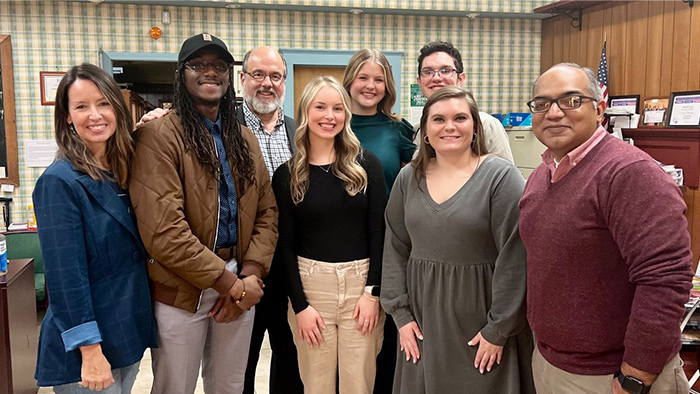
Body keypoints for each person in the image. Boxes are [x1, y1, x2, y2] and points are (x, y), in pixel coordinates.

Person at [137, 45, 303, 394]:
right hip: (181, 289)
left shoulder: (241, 138)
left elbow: (267, 211)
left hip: (240, 279)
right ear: (182, 73)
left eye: (218, 66)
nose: (209, 72)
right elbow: (165, 231)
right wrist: (232, 285)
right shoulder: (158, 135)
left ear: (229, 76)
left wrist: (250, 274)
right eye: (198, 65)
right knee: (175, 386)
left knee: (229, 384)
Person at [519, 63, 693, 394]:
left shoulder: (630, 173)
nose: (554, 113)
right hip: (553, 364)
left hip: (615, 377)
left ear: (599, 109)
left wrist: (635, 375)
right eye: (542, 104)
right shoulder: (542, 175)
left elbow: (666, 278)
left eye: (571, 100)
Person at [381, 86, 534, 394]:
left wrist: (498, 329)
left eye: (460, 117)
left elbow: (515, 257)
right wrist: (401, 315)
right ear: (425, 130)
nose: (449, 126)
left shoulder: (499, 177)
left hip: (482, 323)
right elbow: (395, 247)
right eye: (438, 119)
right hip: (422, 324)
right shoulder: (409, 178)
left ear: (475, 126)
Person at [33, 63, 157, 393]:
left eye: (103, 103)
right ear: (67, 117)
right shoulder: (59, 182)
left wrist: (156, 125)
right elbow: (65, 277)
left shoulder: (124, 169)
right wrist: (89, 351)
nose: (95, 115)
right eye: (81, 106)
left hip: (125, 329)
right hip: (89, 344)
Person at [273, 76, 387, 394]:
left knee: (359, 384)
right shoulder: (288, 174)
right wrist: (300, 306)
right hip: (312, 289)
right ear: (306, 112)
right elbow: (285, 243)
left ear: (346, 115)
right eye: (320, 107)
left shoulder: (367, 165)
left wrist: (372, 293)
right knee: (317, 385)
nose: (329, 116)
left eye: (338, 108)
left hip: (360, 287)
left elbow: (379, 230)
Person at [341, 48, 415, 394]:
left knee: (383, 337)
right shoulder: (331, 122)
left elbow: (419, 182)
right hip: (338, 248)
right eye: (363, 77)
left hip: (387, 245)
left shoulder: (399, 129)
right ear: (350, 80)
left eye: (379, 79)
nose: (370, 86)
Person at [414, 41, 514, 163]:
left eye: (445, 71)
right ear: (419, 82)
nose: (436, 78)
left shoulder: (487, 125)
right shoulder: (418, 129)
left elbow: (505, 176)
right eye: (428, 72)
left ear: (460, 78)